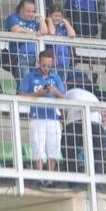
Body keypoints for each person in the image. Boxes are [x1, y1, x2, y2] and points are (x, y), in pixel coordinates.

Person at [19, 50, 67, 179]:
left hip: (53, 116)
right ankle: (40, 177)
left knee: (53, 147)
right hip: (37, 116)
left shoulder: (55, 77)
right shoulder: (30, 76)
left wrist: (55, 91)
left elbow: (64, 97)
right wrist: (36, 94)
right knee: (38, 147)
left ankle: (50, 178)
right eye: (43, 65)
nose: (46, 69)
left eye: (48, 66)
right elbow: (21, 95)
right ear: (39, 62)